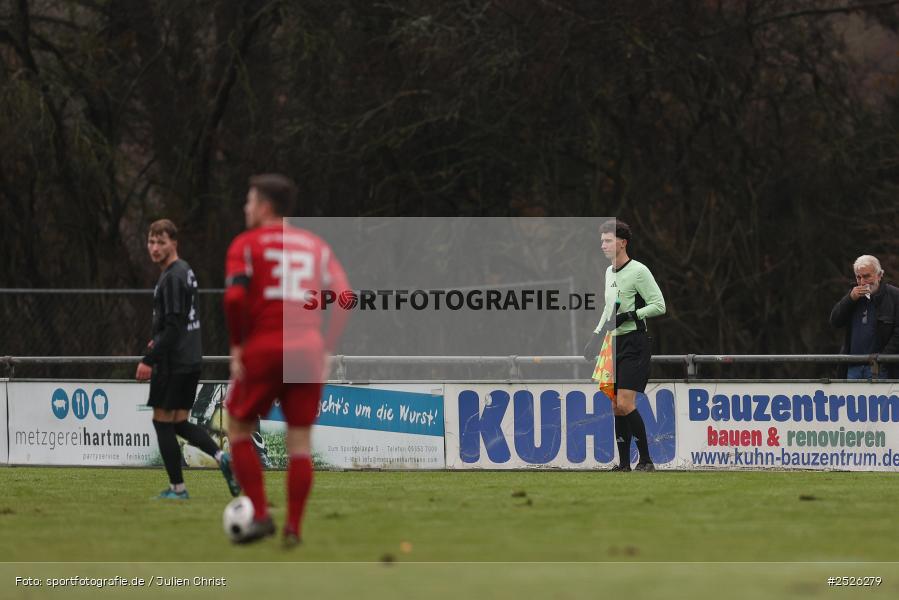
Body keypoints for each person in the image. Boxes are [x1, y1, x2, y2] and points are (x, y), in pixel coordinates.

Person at [223, 174, 350, 546]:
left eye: (249, 201)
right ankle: (293, 527)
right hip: (307, 350)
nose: (245, 208)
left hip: (263, 346)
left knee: (239, 429)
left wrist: (236, 345)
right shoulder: (316, 246)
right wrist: (326, 347)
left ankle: (261, 515)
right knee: (299, 444)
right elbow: (344, 297)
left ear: (264, 207)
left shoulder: (246, 245)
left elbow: (232, 299)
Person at [136, 219, 240, 499]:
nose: (155, 248)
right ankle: (222, 457)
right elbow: (177, 322)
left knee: (162, 423)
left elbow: (174, 326)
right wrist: (158, 338)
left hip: (173, 363)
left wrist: (149, 357)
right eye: (151, 241)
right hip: (191, 359)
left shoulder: (172, 276)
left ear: (174, 243)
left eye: (161, 242)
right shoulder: (185, 271)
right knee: (180, 422)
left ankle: (177, 489)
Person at [583, 219, 666, 472]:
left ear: (623, 243)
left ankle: (646, 460)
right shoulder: (609, 272)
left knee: (625, 403)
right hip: (613, 344)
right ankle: (623, 464)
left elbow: (659, 305)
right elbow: (608, 309)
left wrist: (631, 315)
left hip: (635, 343)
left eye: (608, 240)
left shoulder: (639, 271)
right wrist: (596, 336)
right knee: (615, 406)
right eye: (602, 241)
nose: (603, 245)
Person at [829, 255, 899, 380]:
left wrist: (883, 359)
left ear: (879, 275)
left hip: (881, 369)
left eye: (867, 276)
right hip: (852, 367)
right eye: (858, 277)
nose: (862, 282)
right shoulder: (853, 296)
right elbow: (835, 321)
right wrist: (850, 299)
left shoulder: (894, 296)